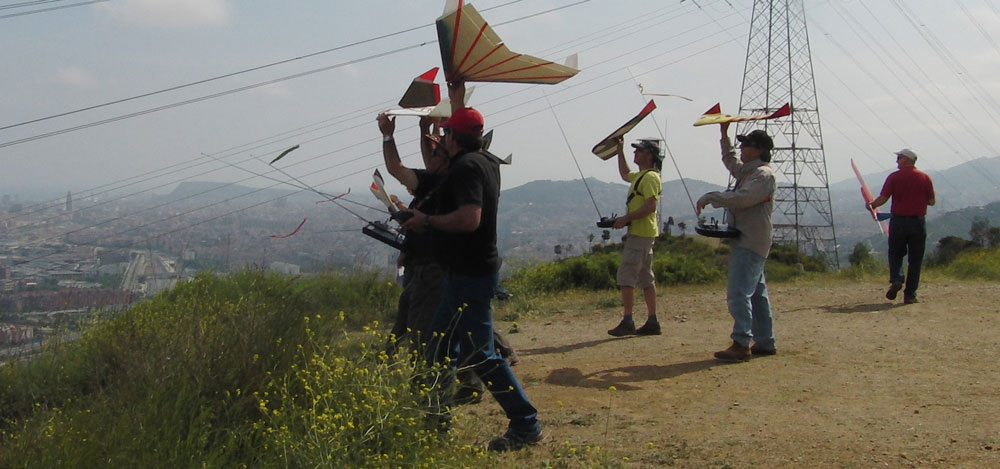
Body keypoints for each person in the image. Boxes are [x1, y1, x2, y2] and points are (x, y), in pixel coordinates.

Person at [401, 81, 542, 452]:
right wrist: (456, 93)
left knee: (481, 354)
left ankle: (526, 423)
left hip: (470, 273)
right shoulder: (485, 161)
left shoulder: (465, 168)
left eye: (445, 132)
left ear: (452, 138)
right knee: (438, 348)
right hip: (464, 271)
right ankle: (436, 423)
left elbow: (469, 219)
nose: (442, 137)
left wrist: (427, 222)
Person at [376, 112, 518, 404]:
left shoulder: (458, 175)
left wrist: (426, 221)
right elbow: (396, 168)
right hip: (439, 265)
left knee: (431, 334)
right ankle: (461, 391)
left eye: (437, 150)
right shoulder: (446, 176)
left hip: (440, 268)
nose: (431, 155)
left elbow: (467, 219)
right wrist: (390, 135)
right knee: (453, 332)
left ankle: (431, 396)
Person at [696, 122, 777, 361]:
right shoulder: (750, 172)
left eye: (747, 145)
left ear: (759, 150)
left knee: (738, 293)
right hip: (750, 239)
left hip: (750, 241)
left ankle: (741, 342)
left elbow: (743, 198)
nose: (741, 148)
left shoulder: (763, 175)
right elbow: (731, 161)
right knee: (757, 295)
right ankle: (765, 341)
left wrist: (712, 197)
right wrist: (723, 134)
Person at [607, 138, 663, 337]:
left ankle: (628, 320)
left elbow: (650, 206)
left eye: (639, 151)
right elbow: (625, 174)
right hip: (644, 233)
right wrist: (619, 151)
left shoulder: (650, 177)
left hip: (640, 233)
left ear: (649, 155)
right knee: (646, 277)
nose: (635, 154)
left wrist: (626, 219)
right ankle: (652, 321)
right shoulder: (642, 176)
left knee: (627, 276)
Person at [866, 149, 935, 304]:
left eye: (899, 158)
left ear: (906, 160)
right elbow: (931, 201)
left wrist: (871, 205)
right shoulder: (925, 177)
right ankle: (910, 295)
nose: (897, 160)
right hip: (918, 222)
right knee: (915, 259)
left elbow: (883, 198)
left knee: (895, 253)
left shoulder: (894, 177)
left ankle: (897, 278)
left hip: (898, 221)